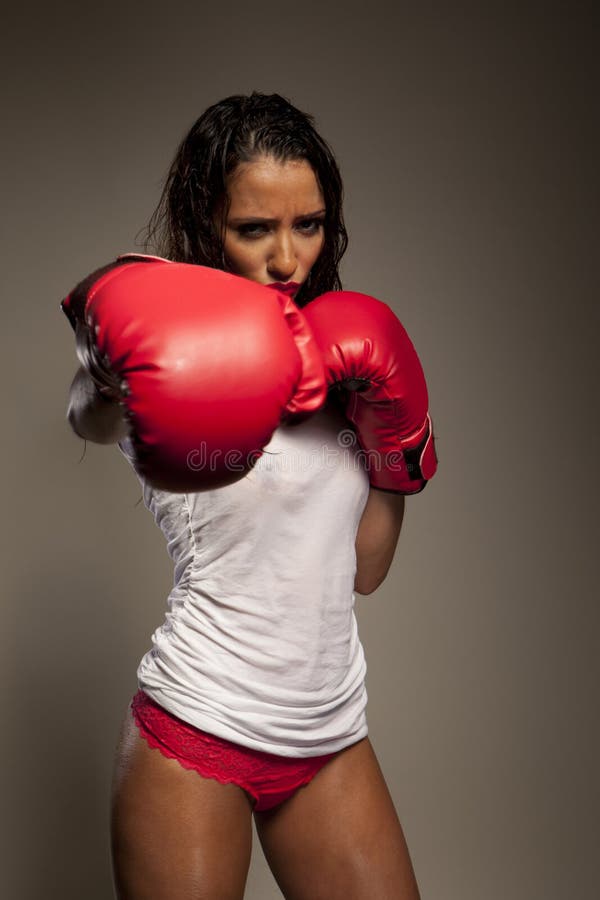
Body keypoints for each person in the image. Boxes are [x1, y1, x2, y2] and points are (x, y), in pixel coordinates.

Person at [66, 92, 431, 899]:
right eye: (254, 228)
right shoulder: (174, 349)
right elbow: (87, 416)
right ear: (207, 224)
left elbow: (364, 570)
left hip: (330, 736)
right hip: (198, 728)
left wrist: (396, 453)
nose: (286, 257)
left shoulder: (345, 351)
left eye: (308, 225)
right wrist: (110, 377)